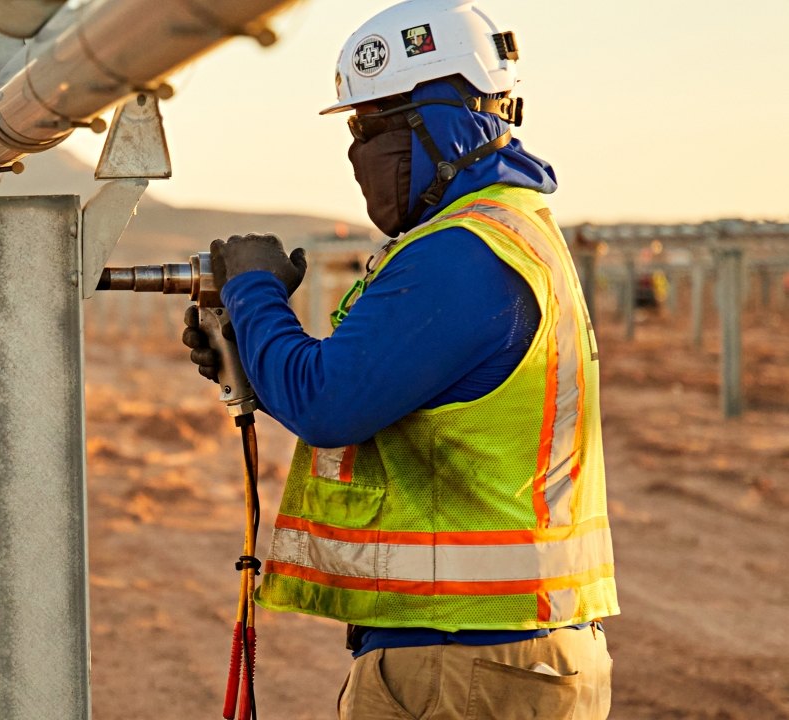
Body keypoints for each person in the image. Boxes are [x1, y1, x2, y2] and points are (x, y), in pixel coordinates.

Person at [182, 1, 619, 717]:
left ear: (443, 121)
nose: (360, 153)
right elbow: (384, 396)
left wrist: (255, 290)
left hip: (468, 663)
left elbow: (328, 402)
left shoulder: (462, 254)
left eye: (373, 128)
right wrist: (257, 363)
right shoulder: (507, 234)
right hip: (502, 653)